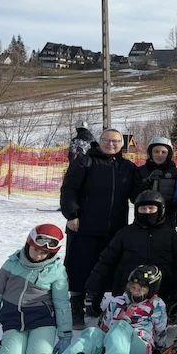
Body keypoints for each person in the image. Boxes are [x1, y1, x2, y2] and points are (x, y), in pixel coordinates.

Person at [34, 265, 168, 354]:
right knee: (93, 332)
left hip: (137, 350)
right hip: (108, 350)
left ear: (151, 290)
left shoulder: (156, 305)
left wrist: (160, 348)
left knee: (121, 325)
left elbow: (160, 329)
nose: (135, 292)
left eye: (141, 289)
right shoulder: (117, 302)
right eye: (133, 287)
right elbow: (103, 327)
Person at [59, 127, 139, 328]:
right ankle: (76, 306)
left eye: (116, 141)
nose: (111, 144)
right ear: (100, 141)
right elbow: (69, 190)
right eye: (107, 140)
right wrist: (72, 215)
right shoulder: (85, 162)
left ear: (122, 144)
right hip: (84, 226)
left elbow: (137, 195)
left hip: (114, 228)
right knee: (80, 267)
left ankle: (94, 303)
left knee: (106, 267)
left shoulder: (127, 167)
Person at [0, 225, 71, 354]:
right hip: (14, 320)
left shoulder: (56, 271)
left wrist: (65, 334)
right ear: (28, 243)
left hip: (42, 320)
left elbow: (62, 304)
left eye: (44, 252)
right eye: (36, 249)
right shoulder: (11, 265)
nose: (39, 255)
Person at [84, 190, 177, 319]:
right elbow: (106, 261)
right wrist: (93, 288)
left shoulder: (172, 235)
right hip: (129, 293)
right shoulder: (125, 233)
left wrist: (176, 296)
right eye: (143, 209)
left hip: (161, 294)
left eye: (151, 208)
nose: (147, 212)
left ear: (161, 210)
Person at [134, 136, 177, 227]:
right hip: (143, 220)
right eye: (156, 151)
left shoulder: (175, 173)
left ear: (169, 154)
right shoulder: (141, 171)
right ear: (150, 153)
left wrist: (164, 206)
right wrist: (146, 184)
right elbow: (133, 197)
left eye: (163, 152)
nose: (160, 154)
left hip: (167, 221)